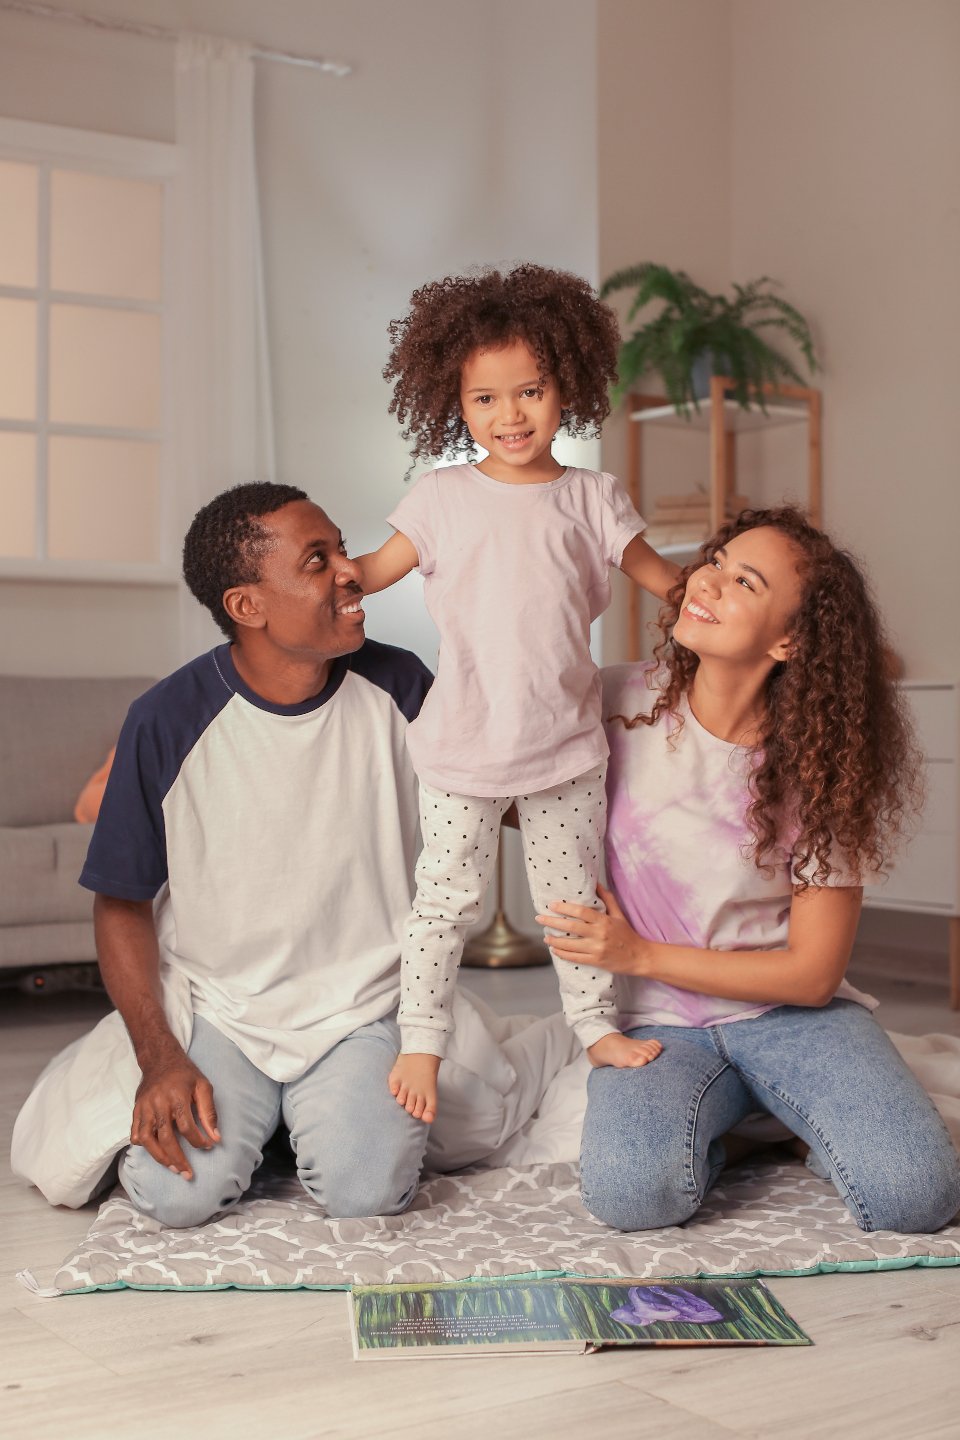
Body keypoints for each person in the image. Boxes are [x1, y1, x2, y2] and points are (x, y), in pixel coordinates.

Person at [537, 506, 960, 1234]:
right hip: (656, 1023)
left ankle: (775, 1107)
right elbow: (517, 795)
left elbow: (812, 975)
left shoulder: (827, 767)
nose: (708, 581)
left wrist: (639, 952)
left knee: (916, 1198)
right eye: (717, 560)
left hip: (789, 1015)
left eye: (746, 582)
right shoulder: (608, 703)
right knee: (633, 1196)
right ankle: (745, 1120)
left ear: (790, 639)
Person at [52, 482, 434, 1228]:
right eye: (317, 561)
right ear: (247, 606)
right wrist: (161, 1058)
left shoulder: (399, 683)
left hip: (362, 1004)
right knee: (174, 1197)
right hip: (225, 1008)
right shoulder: (165, 719)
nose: (352, 573)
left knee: (364, 1191)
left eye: (341, 549)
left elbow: (503, 802)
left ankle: (300, 1120)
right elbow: (122, 902)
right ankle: (278, 1117)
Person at [356, 263, 680, 1126]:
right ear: (453, 405)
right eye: (484, 400)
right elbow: (364, 574)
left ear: (564, 387)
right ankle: (420, 1035)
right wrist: (297, 568)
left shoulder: (594, 497)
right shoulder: (440, 497)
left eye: (529, 392)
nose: (510, 417)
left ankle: (594, 1024)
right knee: (444, 901)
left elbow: (669, 584)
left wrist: (738, 606)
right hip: (462, 743)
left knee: (572, 902)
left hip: (565, 745)